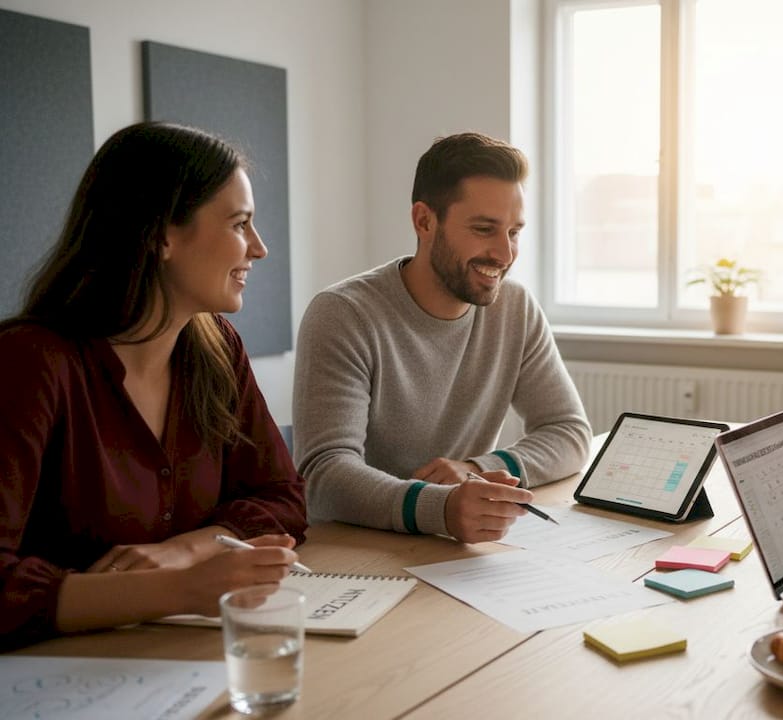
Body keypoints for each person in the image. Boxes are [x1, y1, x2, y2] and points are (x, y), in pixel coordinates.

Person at [0, 122, 308, 650]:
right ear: (163, 234)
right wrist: (176, 589)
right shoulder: (31, 363)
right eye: (239, 223)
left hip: (179, 654)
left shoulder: (216, 349)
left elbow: (282, 497)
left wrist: (190, 549)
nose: (259, 248)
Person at [293, 132, 591, 543]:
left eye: (514, 232)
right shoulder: (344, 313)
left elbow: (570, 432)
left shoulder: (515, 307)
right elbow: (324, 474)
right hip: (356, 550)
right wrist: (441, 508)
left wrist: (477, 468)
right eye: (484, 229)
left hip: (452, 551)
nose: (505, 256)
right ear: (424, 221)